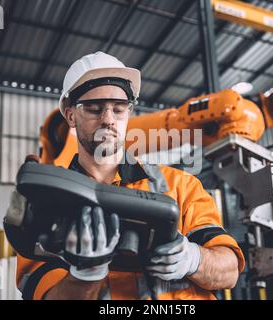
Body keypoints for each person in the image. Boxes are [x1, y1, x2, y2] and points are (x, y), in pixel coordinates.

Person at [14, 51, 245, 300]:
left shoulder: (181, 186)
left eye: (119, 109)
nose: (108, 120)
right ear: (71, 115)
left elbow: (230, 272)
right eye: (93, 109)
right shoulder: (46, 205)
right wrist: (84, 276)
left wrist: (193, 259)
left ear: (129, 114)